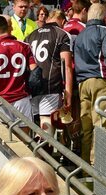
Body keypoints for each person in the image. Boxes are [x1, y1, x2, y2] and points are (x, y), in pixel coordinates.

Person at [75, 2, 106, 163]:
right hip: (101, 81)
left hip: (82, 83)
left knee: (86, 127)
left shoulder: (80, 34)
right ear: (104, 16)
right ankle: (98, 167)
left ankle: (84, 165)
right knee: (102, 126)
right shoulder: (105, 31)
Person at [25, 6, 72, 135]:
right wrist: (68, 92)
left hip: (32, 85)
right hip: (50, 85)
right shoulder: (62, 34)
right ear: (62, 21)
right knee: (47, 127)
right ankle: (44, 153)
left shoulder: (30, 36)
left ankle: (35, 151)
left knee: (35, 124)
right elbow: (66, 65)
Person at [0, 15, 33, 119]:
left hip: (2, 99)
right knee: (24, 134)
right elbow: (34, 69)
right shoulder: (24, 46)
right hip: (22, 98)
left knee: (4, 134)